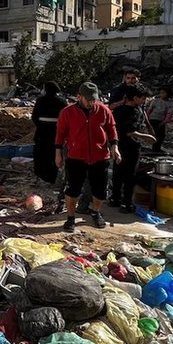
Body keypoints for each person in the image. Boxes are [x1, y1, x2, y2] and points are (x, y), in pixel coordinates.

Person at [55, 82, 120, 232]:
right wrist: (58, 154)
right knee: (73, 189)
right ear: (79, 97)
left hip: (100, 156)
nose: (91, 102)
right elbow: (60, 134)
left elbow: (111, 129)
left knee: (100, 190)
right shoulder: (67, 112)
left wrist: (115, 147)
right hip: (76, 156)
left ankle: (96, 212)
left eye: (94, 99)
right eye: (88, 99)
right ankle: (70, 217)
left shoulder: (103, 110)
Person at [111, 85, 156, 212]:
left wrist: (149, 128)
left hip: (118, 145)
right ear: (135, 98)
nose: (144, 101)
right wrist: (146, 137)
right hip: (130, 146)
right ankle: (126, 203)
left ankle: (115, 198)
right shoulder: (131, 112)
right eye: (143, 98)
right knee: (130, 175)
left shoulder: (124, 109)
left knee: (118, 172)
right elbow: (129, 131)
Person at [32, 81, 67, 186]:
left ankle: (41, 176)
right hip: (56, 132)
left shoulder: (40, 100)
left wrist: (40, 125)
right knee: (54, 154)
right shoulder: (61, 101)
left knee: (41, 155)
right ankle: (52, 177)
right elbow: (65, 118)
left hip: (42, 132)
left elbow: (34, 117)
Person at [146, 87, 172, 152]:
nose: (161, 94)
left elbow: (169, 114)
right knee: (158, 135)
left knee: (160, 135)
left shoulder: (169, 103)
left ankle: (156, 148)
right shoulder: (155, 100)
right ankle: (155, 149)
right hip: (153, 119)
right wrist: (147, 118)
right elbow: (150, 109)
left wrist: (164, 122)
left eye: (163, 93)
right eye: (160, 93)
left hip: (160, 120)